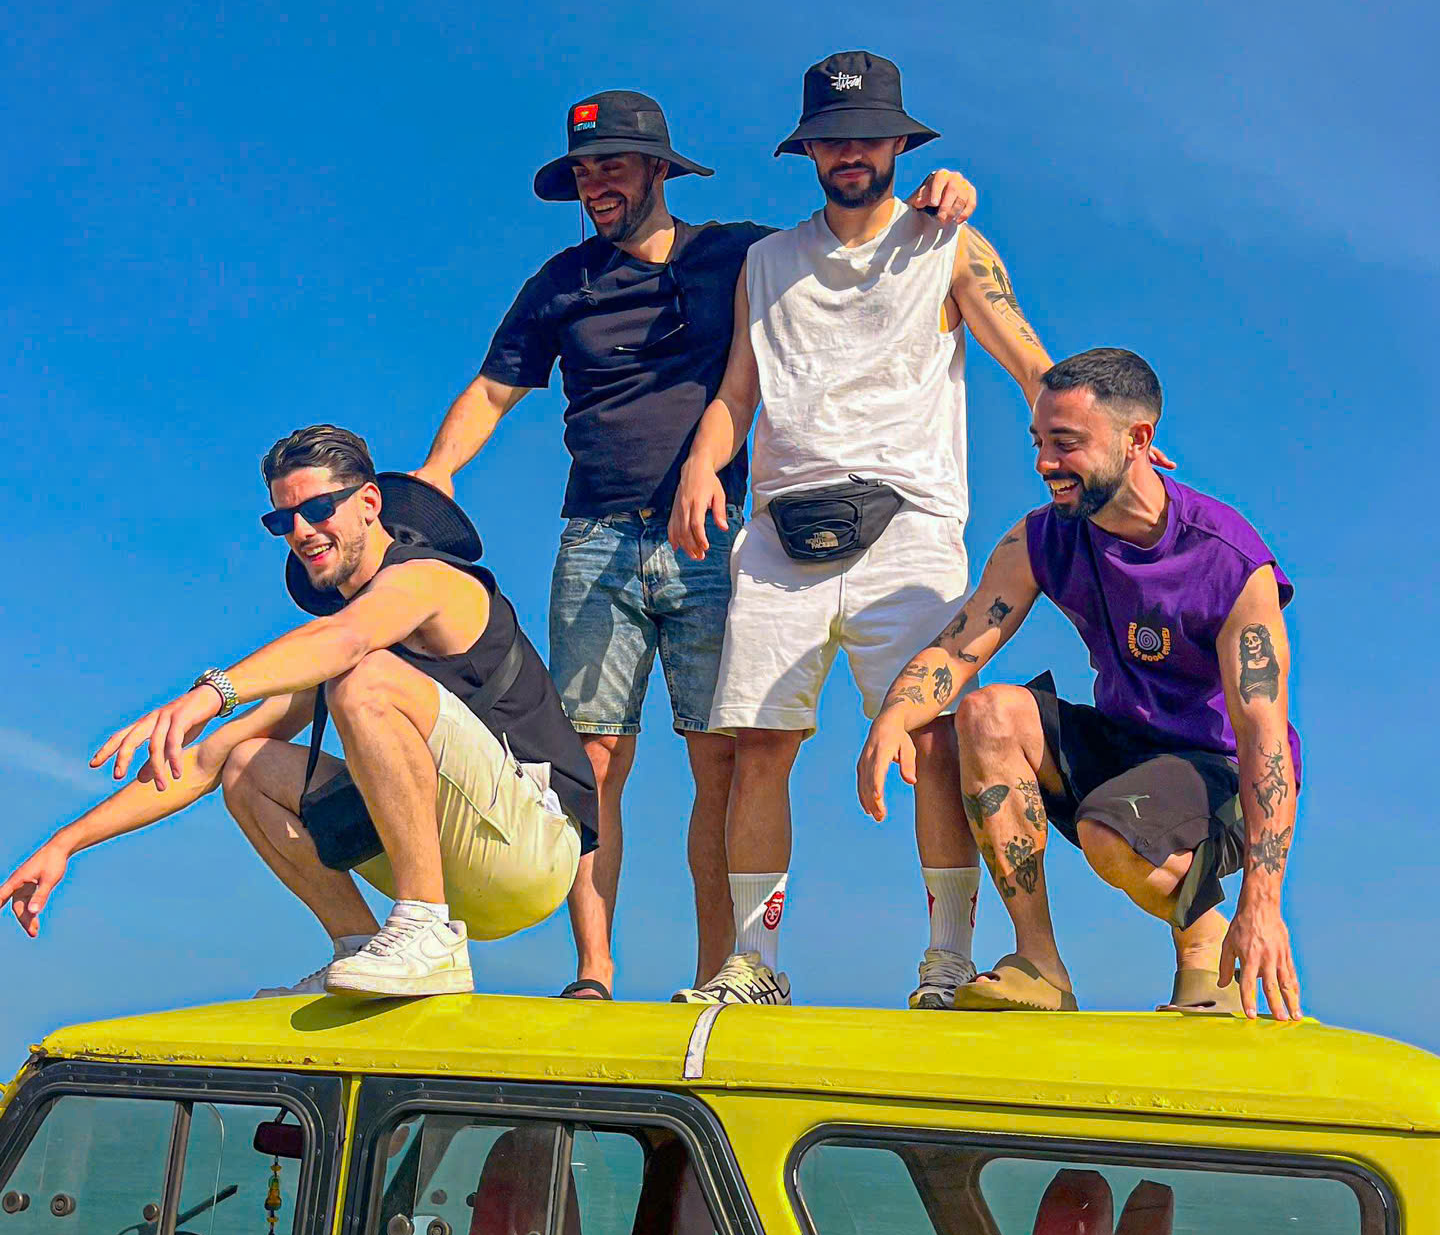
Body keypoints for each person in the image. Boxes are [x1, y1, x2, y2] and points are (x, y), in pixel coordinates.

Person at [415, 88, 975, 1001]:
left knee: (724, 757)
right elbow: (491, 390)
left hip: (714, 541)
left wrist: (943, 192)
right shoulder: (560, 283)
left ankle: (726, 970)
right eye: (583, 171)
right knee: (592, 759)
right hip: (595, 538)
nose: (596, 183)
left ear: (658, 171)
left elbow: (851, 239)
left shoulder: (740, 254)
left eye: (613, 165)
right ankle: (594, 972)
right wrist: (438, 473)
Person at [669, 50, 1051, 1010]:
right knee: (761, 745)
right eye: (832, 138)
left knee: (934, 737)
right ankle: (754, 965)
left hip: (909, 521)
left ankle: (947, 960)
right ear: (808, 151)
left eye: (868, 136)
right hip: (781, 528)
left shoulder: (949, 243)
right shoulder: (766, 262)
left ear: (897, 145)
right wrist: (702, 463)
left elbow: (1024, 356)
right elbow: (739, 390)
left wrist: (1090, 439)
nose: (851, 152)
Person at [0, 429, 599, 1000]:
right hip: (462, 866)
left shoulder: (429, 580)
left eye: (317, 509)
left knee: (362, 677)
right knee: (245, 764)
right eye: (283, 520)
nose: (301, 531)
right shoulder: (344, 641)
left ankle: (425, 930)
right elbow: (203, 762)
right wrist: (65, 843)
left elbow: (345, 640)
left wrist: (207, 694)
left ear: (369, 504)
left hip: (531, 849)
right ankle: (359, 945)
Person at [857, 349, 1302, 1020]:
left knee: (1108, 833)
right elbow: (959, 646)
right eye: (1038, 442)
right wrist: (893, 717)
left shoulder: (1228, 559)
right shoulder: (1043, 538)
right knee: (987, 713)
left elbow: (1263, 737)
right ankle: (1040, 966)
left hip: (1219, 772)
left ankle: (1204, 944)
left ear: (1137, 440)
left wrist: (1261, 905)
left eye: (1065, 443)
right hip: (1125, 748)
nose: (1044, 462)